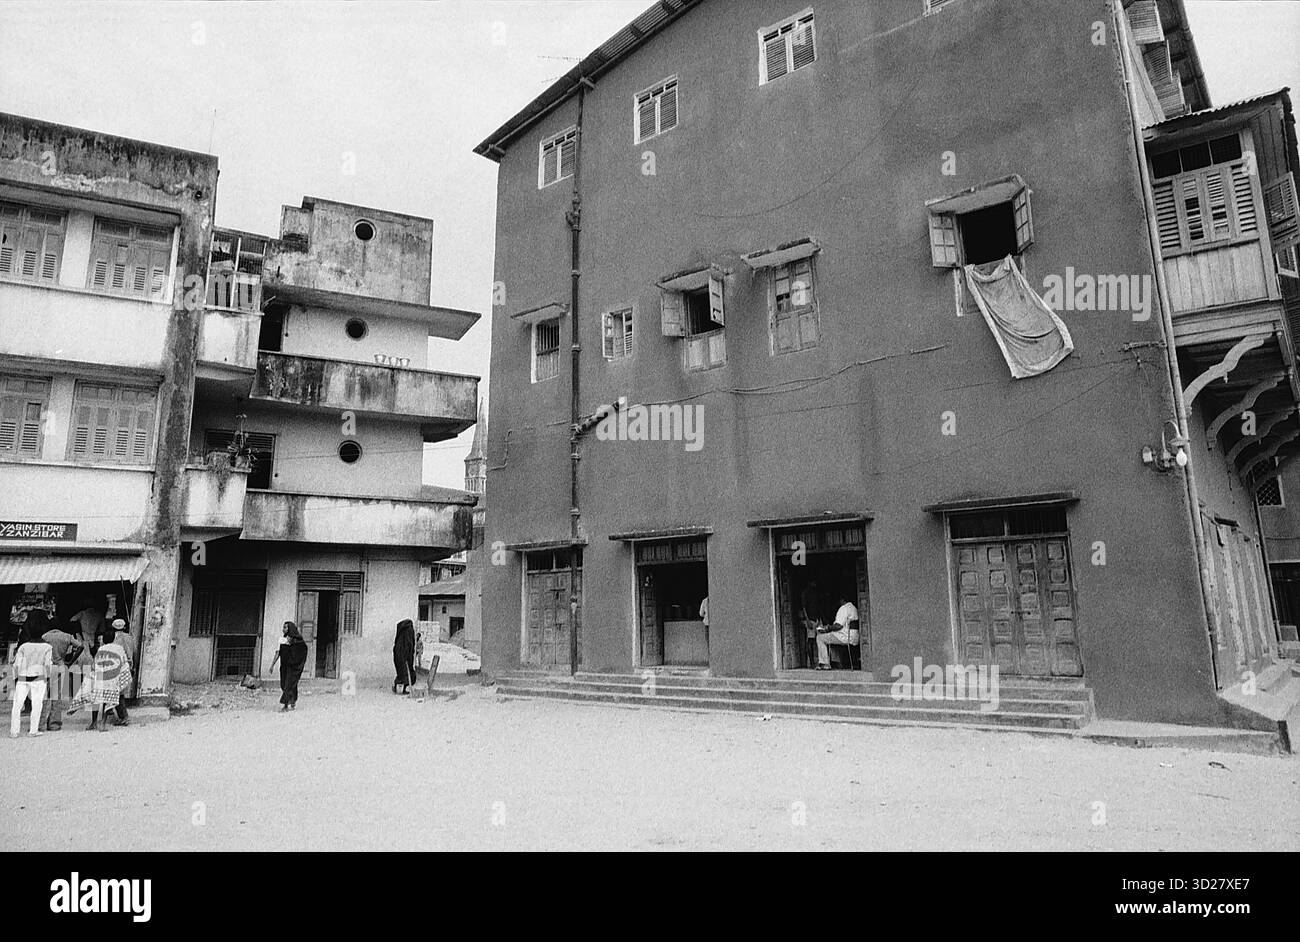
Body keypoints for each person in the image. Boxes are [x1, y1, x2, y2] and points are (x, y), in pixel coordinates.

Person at [67, 622, 133, 731]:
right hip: (112, 678)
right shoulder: (119, 648)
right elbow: (123, 663)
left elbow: (95, 663)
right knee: (108, 699)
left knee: (95, 699)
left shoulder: (101, 650)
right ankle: (102, 723)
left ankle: (93, 722)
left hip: (99, 676)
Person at [9, 625, 52, 738]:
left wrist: (16, 677)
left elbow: (17, 664)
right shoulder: (47, 647)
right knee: (37, 704)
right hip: (39, 678)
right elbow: (47, 664)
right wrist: (47, 676)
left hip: (23, 677)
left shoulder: (23, 647)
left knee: (17, 705)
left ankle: (14, 731)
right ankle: (33, 730)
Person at [38, 626, 84, 731]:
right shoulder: (67, 636)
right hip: (60, 666)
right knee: (56, 697)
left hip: (47, 667)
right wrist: (70, 662)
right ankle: (54, 724)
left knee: (43, 696)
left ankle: (41, 724)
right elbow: (81, 646)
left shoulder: (45, 637)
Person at [269, 621, 308, 712]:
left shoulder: (297, 640)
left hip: (293, 667)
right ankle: (293, 699)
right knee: (284, 684)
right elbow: (278, 653)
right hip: (284, 666)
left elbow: (303, 650)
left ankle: (285, 705)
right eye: (283, 627)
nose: (284, 629)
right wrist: (272, 665)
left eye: (286, 627)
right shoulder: (282, 640)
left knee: (288, 684)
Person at [816, 594, 860, 670]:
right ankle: (837, 662)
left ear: (842, 600)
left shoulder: (844, 608)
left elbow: (838, 626)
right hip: (855, 637)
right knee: (830, 638)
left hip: (844, 637)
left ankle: (824, 663)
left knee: (820, 638)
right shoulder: (854, 608)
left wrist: (827, 628)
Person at [393, 618, 417, 694]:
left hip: (399, 654)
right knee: (405, 673)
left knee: (402, 673)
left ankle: (399, 688)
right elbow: (409, 645)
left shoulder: (402, 632)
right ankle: (400, 689)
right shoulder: (409, 631)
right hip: (404, 655)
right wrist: (409, 657)